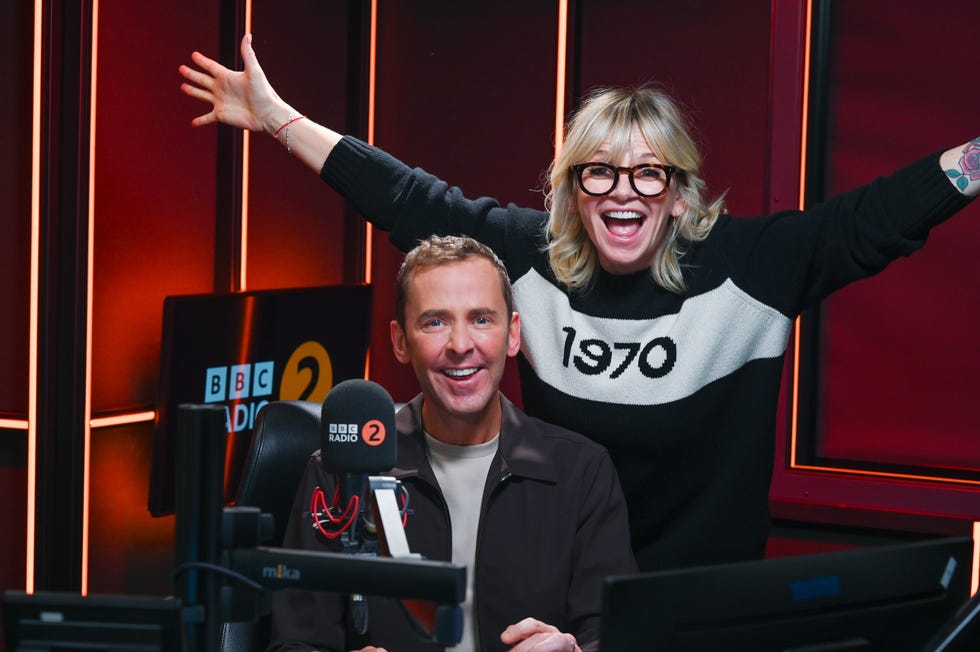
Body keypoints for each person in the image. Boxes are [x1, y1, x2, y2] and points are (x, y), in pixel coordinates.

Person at [179, 35, 980, 572]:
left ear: (677, 193)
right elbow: (405, 198)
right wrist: (277, 120)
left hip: (703, 606)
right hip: (559, 596)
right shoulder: (530, 258)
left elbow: (880, 218)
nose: (623, 192)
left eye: (648, 174)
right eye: (598, 171)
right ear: (571, 189)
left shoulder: (753, 267)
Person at [268, 235, 636, 652]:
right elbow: (295, 643)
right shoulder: (341, 471)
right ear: (401, 341)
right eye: (435, 322)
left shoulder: (582, 472)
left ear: (513, 334)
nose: (461, 345)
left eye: (481, 319)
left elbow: (615, 635)